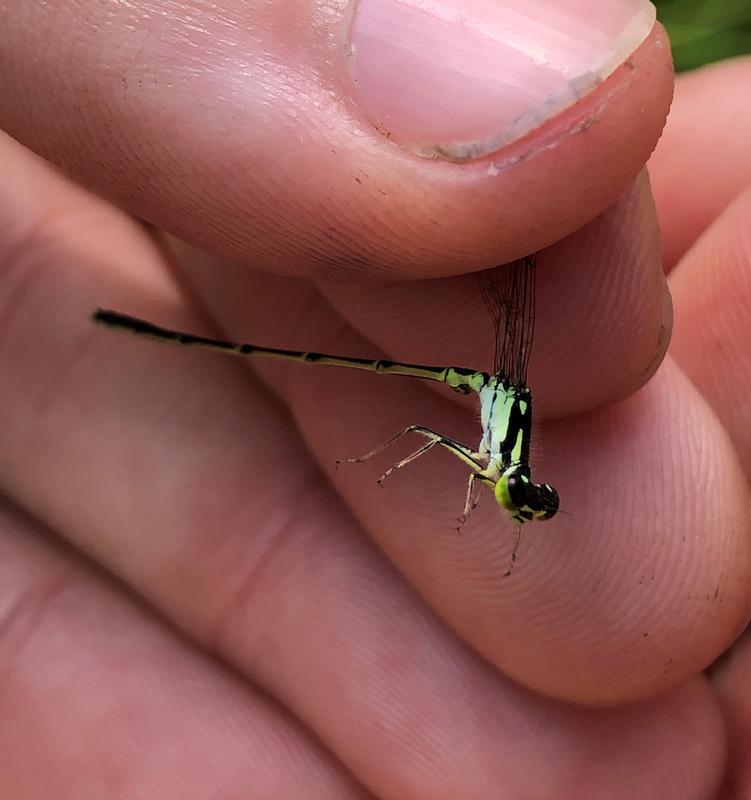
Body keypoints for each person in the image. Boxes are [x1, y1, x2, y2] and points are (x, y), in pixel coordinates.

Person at [0, 1, 750, 796]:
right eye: (524, 496)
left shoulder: (505, 461)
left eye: (523, 500)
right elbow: (438, 438)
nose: (521, 498)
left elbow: (454, 450)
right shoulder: (513, 441)